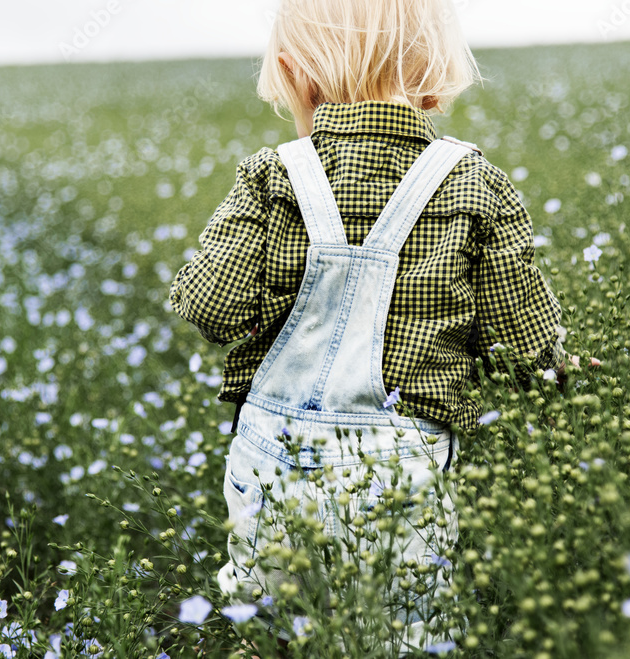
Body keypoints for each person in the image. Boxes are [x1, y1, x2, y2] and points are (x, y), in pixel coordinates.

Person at [169, 0, 570, 650]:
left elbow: (210, 307)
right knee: (405, 633)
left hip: (273, 463)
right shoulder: (478, 185)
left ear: (295, 73)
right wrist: (558, 369)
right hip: (401, 471)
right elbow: (522, 350)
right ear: (433, 68)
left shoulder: (271, 176)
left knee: (270, 628)